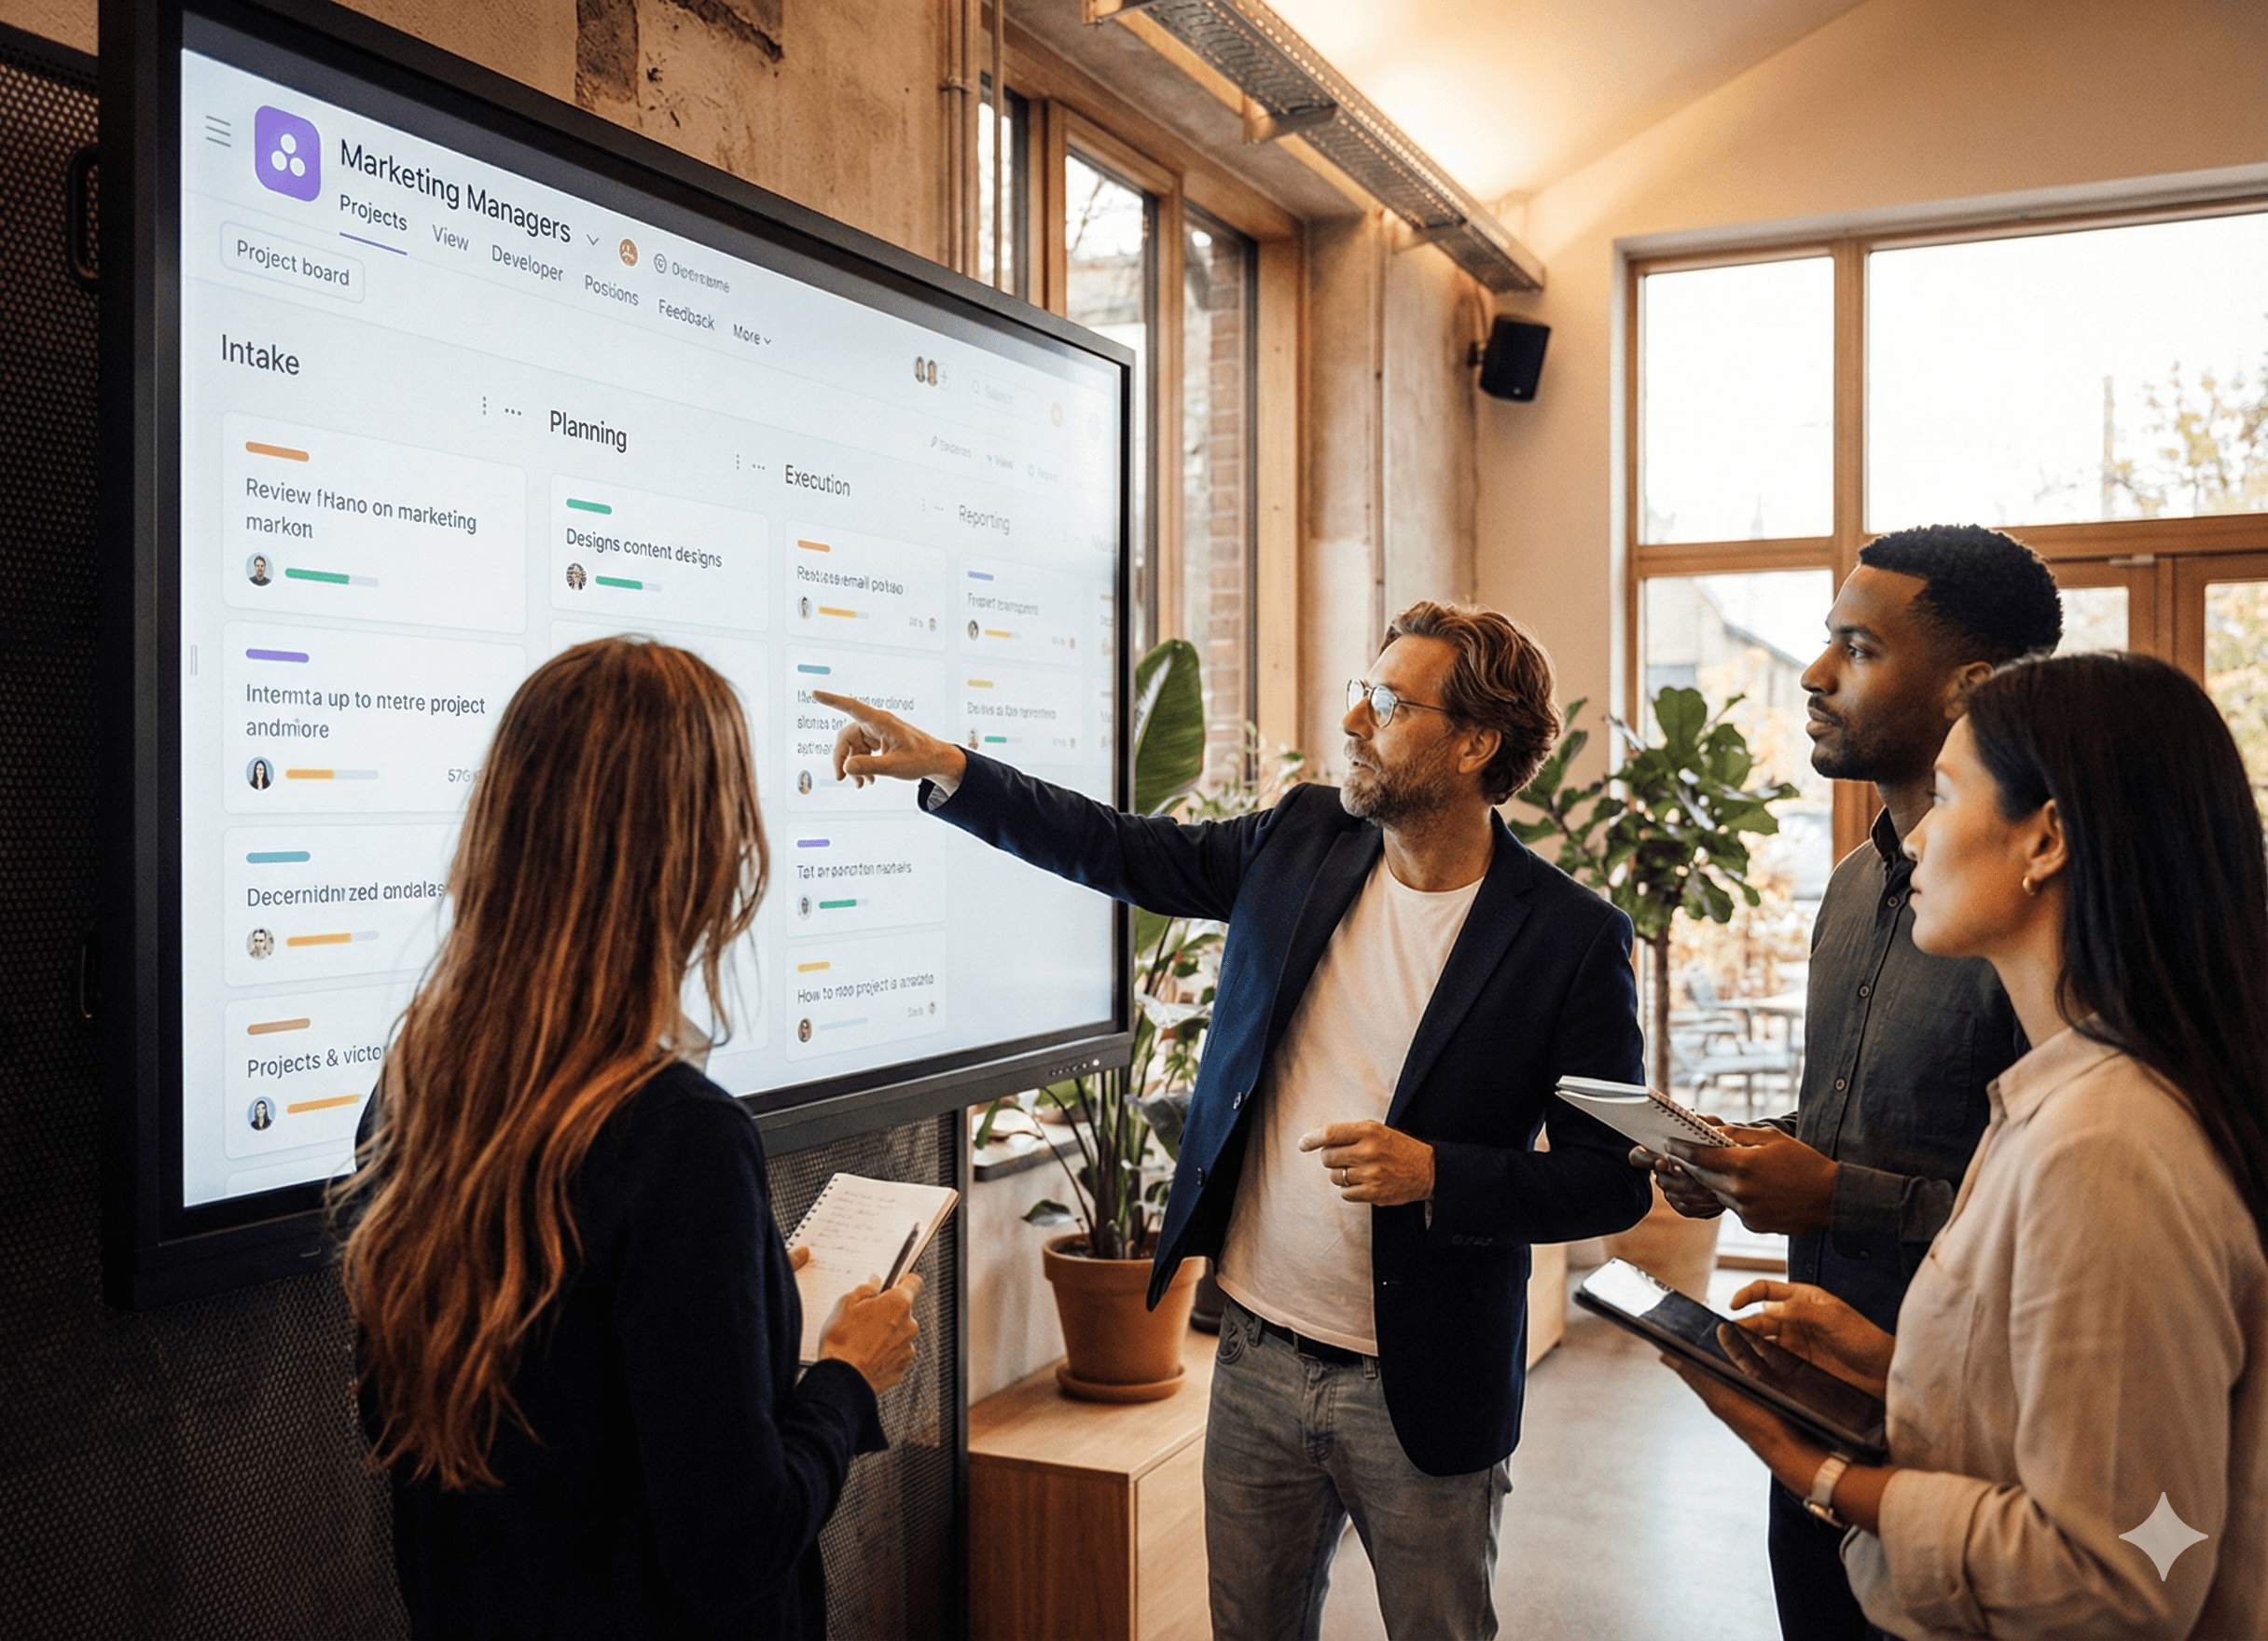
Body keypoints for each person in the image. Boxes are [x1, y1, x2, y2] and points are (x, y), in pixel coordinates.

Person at [821, 600, 1651, 1639]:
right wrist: (953, 768)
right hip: (1255, 1360)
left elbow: (1609, 1177)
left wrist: (1440, 1172)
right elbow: (1120, 849)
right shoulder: (1303, 837)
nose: (1353, 719)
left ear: (1475, 743)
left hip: (1425, 1388)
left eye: (1390, 703)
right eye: (1362, 690)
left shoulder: (1571, 937)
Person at [1669, 652, 2268, 1639]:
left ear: (2046, 838)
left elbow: (2115, 1577)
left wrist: (1824, 1473)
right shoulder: (2066, 1097)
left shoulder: (2105, 1142)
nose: (1914, 836)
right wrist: (1896, 1372)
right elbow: (2097, 1434)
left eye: (1944, 797)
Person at [337, 639, 920, 1639]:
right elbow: (732, 1545)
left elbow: (542, 1396)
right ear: (700, 857)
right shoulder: (682, 1138)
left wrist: (740, 1305)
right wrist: (843, 1380)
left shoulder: (412, 1091)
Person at [1643, 525, 2059, 1638]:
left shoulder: (2039, 917)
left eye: (1858, 648)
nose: (1814, 673)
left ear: (1969, 687)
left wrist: (1832, 1195)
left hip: (1975, 1428)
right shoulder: (1844, 888)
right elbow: (1869, 1117)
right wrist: (1743, 1156)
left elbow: (2064, 1211)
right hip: (1808, 1391)